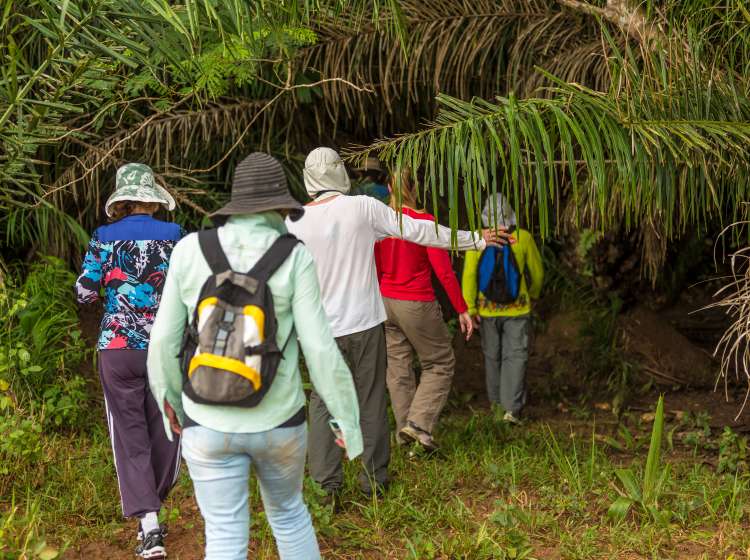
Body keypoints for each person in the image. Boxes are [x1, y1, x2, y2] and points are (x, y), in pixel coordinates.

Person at [147, 152, 363, 560]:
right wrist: (347, 421)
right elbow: (320, 349)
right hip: (278, 421)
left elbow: (162, 341)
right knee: (290, 516)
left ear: (235, 205)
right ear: (282, 206)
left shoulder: (190, 250)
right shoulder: (295, 256)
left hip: (206, 421)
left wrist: (169, 401)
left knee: (225, 533)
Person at [286, 147, 510, 501]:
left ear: (308, 179)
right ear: (341, 174)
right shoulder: (363, 207)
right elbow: (421, 230)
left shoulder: (293, 221)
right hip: (364, 323)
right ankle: (374, 481)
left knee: (323, 402)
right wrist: (477, 239)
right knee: (372, 399)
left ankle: (325, 487)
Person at [75, 163, 183, 559]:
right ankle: (154, 506)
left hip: (118, 349)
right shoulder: (175, 236)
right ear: (153, 200)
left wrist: (108, 292)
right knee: (167, 428)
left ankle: (149, 525)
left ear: (122, 201)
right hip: (165, 347)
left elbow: (85, 291)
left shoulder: (104, 237)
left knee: (129, 433)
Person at [374, 169, 474, 453]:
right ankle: (418, 425)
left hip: (386, 301)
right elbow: (443, 272)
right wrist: (462, 309)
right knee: (440, 362)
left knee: (399, 368)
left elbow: (375, 265)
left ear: (389, 187)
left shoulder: (381, 222)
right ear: (416, 188)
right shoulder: (424, 222)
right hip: (415, 301)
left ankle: (407, 435)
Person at [461, 193, 544, 425]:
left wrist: (471, 308)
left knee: (492, 356)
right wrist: (534, 295)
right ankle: (511, 410)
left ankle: (496, 406)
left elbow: (468, 276)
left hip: (487, 312)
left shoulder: (478, 240)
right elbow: (537, 273)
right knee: (515, 356)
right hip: (518, 309)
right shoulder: (523, 238)